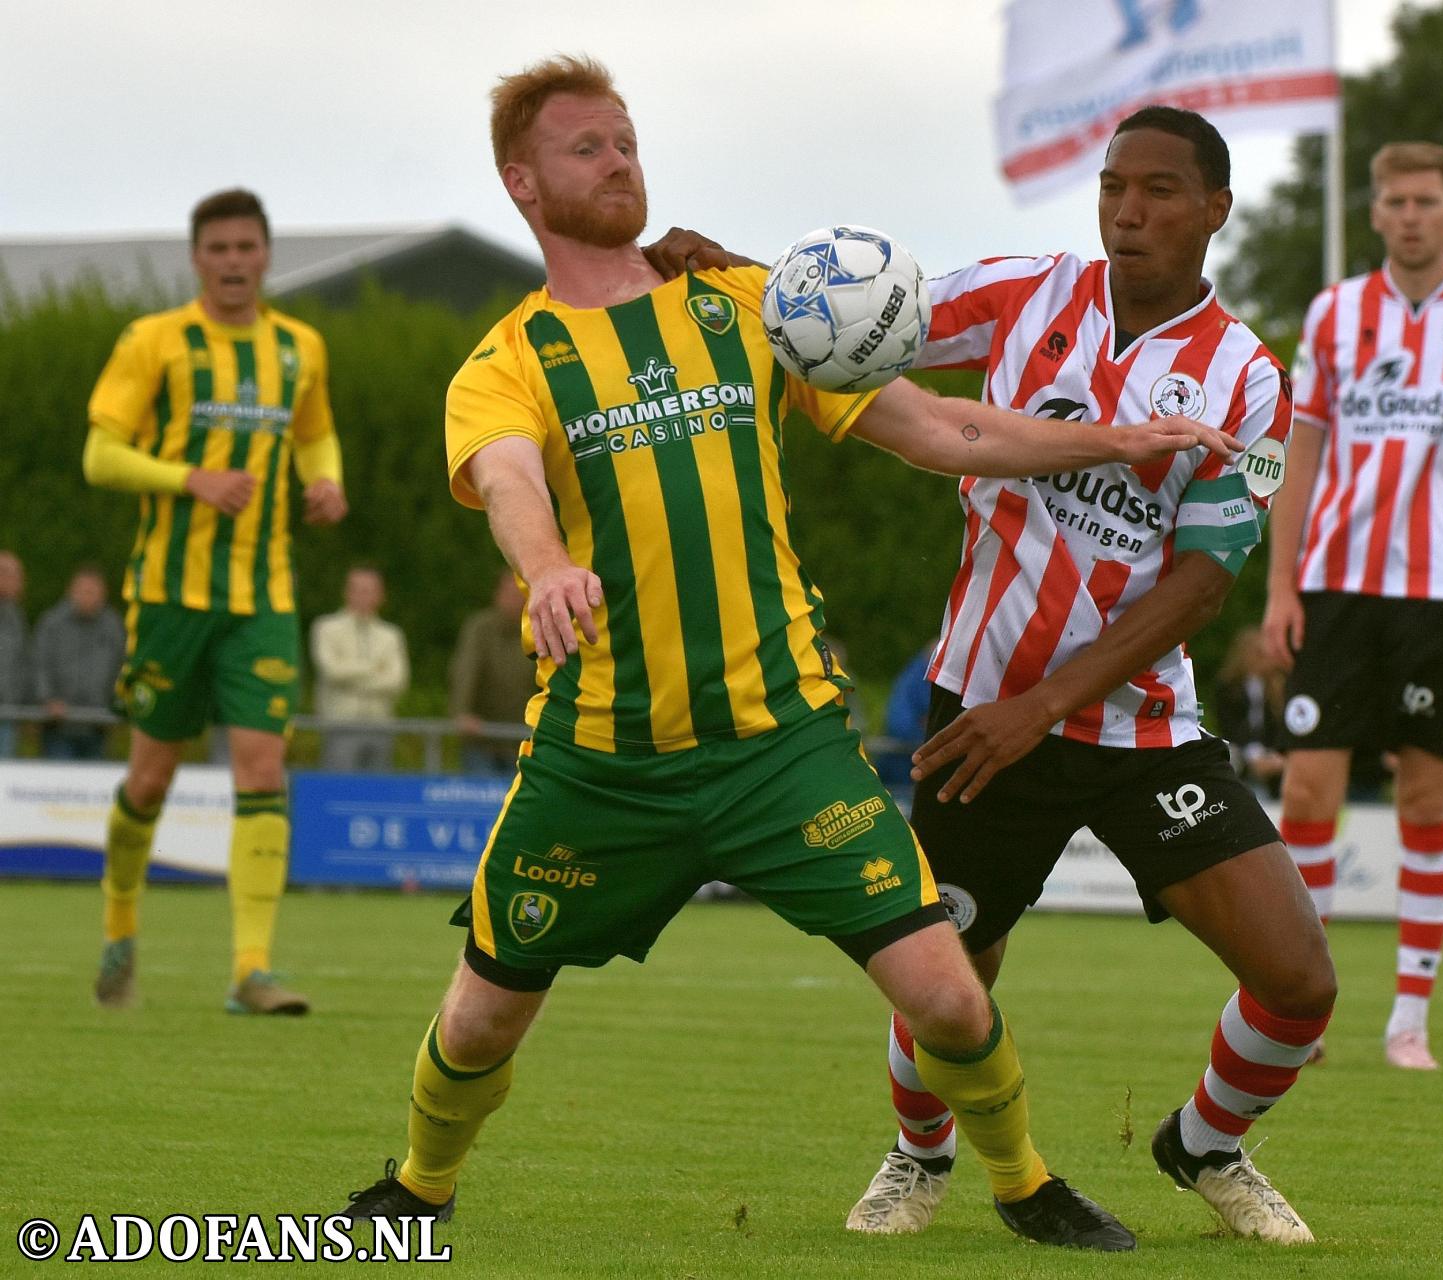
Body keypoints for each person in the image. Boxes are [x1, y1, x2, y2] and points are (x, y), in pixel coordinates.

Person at [338, 56, 1241, 1250]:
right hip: (605, 758)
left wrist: (1112, 439)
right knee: (478, 1021)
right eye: (583, 149)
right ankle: (419, 1185)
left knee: (948, 992)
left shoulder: (741, 304)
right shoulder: (506, 360)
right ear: (522, 182)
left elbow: (939, 426)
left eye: (624, 140)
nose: (617, 163)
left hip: (784, 745)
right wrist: (549, 567)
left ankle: (1023, 1182)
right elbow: (507, 480)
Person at [841, 105, 1332, 1247]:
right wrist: (720, 270)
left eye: (1160, 190)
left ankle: (1204, 1141)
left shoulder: (1254, 382)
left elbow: (1204, 582)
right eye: (1115, 185)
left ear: (1216, 208)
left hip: (1139, 731)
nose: (1127, 209)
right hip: (982, 703)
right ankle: (920, 1156)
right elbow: (860, 320)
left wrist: (1046, 707)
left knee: (1299, 979)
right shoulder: (1026, 292)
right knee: (948, 973)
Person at [1261, 141, 1443, 1070]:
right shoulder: (1335, 314)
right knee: (1308, 788)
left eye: (1428, 199)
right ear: (1376, 212)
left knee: (1428, 792)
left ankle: (1410, 1017)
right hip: (1338, 584)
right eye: (1396, 200)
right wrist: (1280, 584)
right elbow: (1299, 453)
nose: (1412, 214)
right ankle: (1302, 1010)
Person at [81, 188, 347, 1013]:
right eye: (219, 249)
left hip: (263, 596)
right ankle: (120, 927)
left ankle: (250, 970)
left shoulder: (300, 347)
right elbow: (100, 455)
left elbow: (313, 432)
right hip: (168, 594)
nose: (234, 262)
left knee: (262, 768)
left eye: (247, 248)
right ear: (197, 258)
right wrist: (188, 478)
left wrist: (326, 478)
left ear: (267, 255)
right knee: (151, 778)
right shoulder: (154, 341)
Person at [309, 565, 409, 771]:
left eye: (369, 590)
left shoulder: (391, 635)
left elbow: (397, 681)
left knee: (377, 795)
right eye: (358, 589)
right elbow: (332, 671)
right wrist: (374, 667)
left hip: (380, 727)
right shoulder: (326, 627)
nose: (363, 596)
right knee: (339, 792)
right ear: (347, 592)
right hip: (339, 726)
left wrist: (350, 677)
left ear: (381, 595)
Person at [448, 569, 537, 775]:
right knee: (478, 796)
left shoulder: (535, 627)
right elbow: (466, 671)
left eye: (520, 594)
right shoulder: (480, 628)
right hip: (482, 738)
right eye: (509, 593)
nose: (514, 600)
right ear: (497, 594)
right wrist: (462, 712)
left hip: (522, 739)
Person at [33, 566, 126, 760]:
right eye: (84, 591)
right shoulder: (52, 623)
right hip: (58, 725)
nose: (88, 597)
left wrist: (116, 703)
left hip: (97, 725)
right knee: (57, 785)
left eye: (93, 592)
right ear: (71, 591)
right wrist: (47, 698)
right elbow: (39, 664)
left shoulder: (113, 626)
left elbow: (122, 666)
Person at [1213, 627, 1288, 797]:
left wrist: (1275, 755)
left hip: (1271, 751)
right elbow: (1227, 725)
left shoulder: (1279, 687)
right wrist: (1252, 756)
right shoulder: (1229, 687)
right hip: (1239, 749)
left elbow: (1280, 726)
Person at [875, 640, 936, 793]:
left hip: (911, 759)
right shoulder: (918, 676)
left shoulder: (916, 674)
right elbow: (900, 725)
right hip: (902, 763)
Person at [0, 551, 32, 757]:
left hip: (7, 713)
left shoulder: (15, 616)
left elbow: (22, 663)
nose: (21, 582)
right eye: (15, 575)